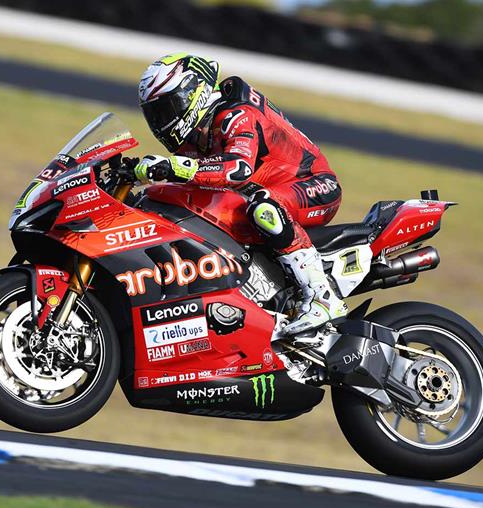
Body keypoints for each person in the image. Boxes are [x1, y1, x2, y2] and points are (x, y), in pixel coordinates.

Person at [134, 53, 347, 335]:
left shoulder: (236, 113)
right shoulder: (197, 132)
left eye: (167, 108)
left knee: (264, 208)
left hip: (315, 185)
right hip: (267, 191)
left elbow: (237, 168)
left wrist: (175, 168)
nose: (162, 121)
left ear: (192, 92)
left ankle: (322, 297)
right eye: (155, 114)